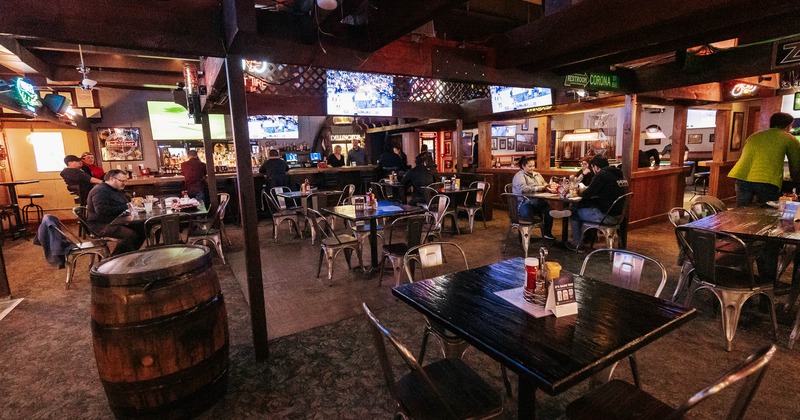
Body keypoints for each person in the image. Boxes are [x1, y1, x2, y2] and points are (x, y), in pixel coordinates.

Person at [728, 112, 800, 206]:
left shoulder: (754, 136)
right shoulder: (789, 138)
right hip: (767, 178)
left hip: (741, 176)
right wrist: (796, 180)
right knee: (767, 211)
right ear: (788, 125)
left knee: (741, 211)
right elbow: (796, 164)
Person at [568, 155, 629, 251]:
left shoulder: (601, 175)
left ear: (596, 167)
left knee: (574, 212)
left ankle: (576, 244)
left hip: (607, 216)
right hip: (620, 216)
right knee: (586, 206)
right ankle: (588, 239)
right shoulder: (620, 174)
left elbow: (587, 194)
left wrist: (581, 191)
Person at [86, 170, 145, 255]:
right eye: (122, 181)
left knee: (143, 227)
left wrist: (135, 201)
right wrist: (126, 207)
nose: (125, 183)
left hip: (116, 220)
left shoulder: (116, 189)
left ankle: (131, 254)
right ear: (112, 179)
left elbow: (126, 202)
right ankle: (116, 258)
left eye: (126, 181)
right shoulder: (100, 190)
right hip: (101, 225)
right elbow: (101, 210)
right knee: (129, 235)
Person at [512, 156, 557, 240]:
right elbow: (523, 189)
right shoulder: (519, 176)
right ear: (523, 166)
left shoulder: (537, 174)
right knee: (527, 215)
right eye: (530, 166)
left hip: (536, 201)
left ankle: (547, 233)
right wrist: (538, 188)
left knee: (549, 210)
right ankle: (525, 236)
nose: (532, 168)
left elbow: (544, 183)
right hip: (523, 201)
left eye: (533, 165)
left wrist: (549, 188)